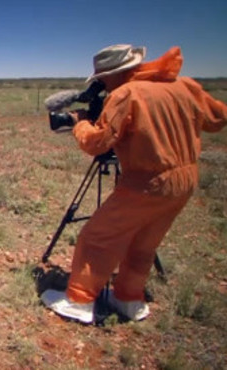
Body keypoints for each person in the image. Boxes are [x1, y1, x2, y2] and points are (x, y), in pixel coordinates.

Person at [41, 44, 227, 324]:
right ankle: (128, 298)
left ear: (116, 73)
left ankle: (79, 301)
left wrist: (80, 123)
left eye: (102, 79)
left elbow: (97, 143)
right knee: (144, 242)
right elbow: (218, 118)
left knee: (98, 239)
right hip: (185, 180)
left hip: (147, 180)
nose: (102, 85)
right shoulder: (184, 85)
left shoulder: (127, 94)